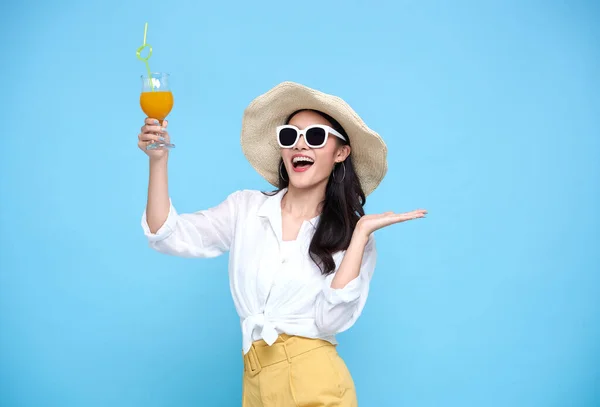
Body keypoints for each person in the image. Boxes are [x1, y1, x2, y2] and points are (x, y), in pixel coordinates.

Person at [138, 81, 427, 406]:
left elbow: (330, 322)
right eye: (290, 136)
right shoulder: (245, 209)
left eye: (316, 136)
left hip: (315, 382)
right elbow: (167, 234)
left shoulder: (351, 234)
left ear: (341, 152)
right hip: (256, 381)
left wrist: (359, 235)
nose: (300, 146)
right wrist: (158, 161)